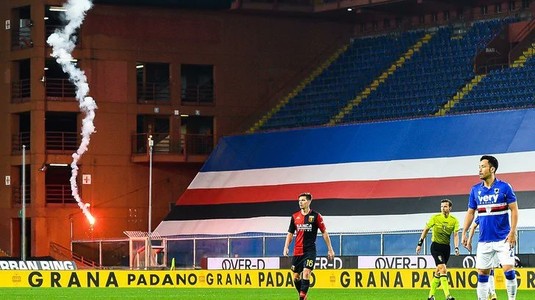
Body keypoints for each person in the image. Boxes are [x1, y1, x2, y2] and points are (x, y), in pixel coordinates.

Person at [461, 155, 519, 300]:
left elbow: (514, 210)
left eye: (483, 166)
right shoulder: (475, 190)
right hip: (484, 240)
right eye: (479, 167)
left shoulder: (505, 187)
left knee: (508, 271)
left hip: (503, 238)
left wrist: (513, 232)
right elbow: (470, 212)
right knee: (482, 274)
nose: (479, 169)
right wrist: (464, 232)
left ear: (492, 169)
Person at [283, 192, 335, 300]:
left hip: (310, 251)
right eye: (299, 200)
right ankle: (303, 295)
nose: (300, 202)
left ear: (309, 201)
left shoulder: (316, 216)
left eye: (303, 200)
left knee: (306, 273)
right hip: (297, 251)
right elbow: (290, 233)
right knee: (296, 277)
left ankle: (302, 297)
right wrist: (286, 246)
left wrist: (330, 249)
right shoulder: (294, 217)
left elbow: (324, 233)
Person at [416, 198, 459, 300]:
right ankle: (448, 296)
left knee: (438, 271)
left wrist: (456, 247)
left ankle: (431, 296)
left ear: (450, 208)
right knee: (443, 269)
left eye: (445, 206)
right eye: (441, 206)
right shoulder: (435, 218)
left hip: (446, 248)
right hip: (436, 247)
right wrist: (420, 243)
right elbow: (426, 229)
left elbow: (456, 235)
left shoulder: (454, 220)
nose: (443, 208)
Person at [466, 216, 498, 300]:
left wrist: (469, 240)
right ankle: (492, 293)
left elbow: (473, 226)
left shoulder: (481, 213)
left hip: (485, 243)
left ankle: (488, 294)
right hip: (498, 243)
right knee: (490, 269)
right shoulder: (497, 212)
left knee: (483, 270)